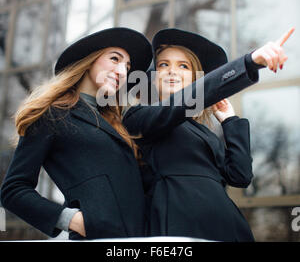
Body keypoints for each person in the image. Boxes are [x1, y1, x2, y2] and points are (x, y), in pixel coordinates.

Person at [122, 27, 293, 242]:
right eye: (163, 64)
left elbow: (240, 176)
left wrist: (230, 121)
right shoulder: (139, 117)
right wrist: (249, 62)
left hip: (226, 223)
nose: (172, 71)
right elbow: (181, 104)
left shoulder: (205, 134)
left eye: (183, 66)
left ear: (194, 79)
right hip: (178, 223)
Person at [0, 27, 153, 240]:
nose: (122, 72)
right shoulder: (52, 114)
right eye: (114, 59)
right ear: (89, 60)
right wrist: (74, 220)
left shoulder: (120, 124)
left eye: (127, 67)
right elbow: (13, 191)